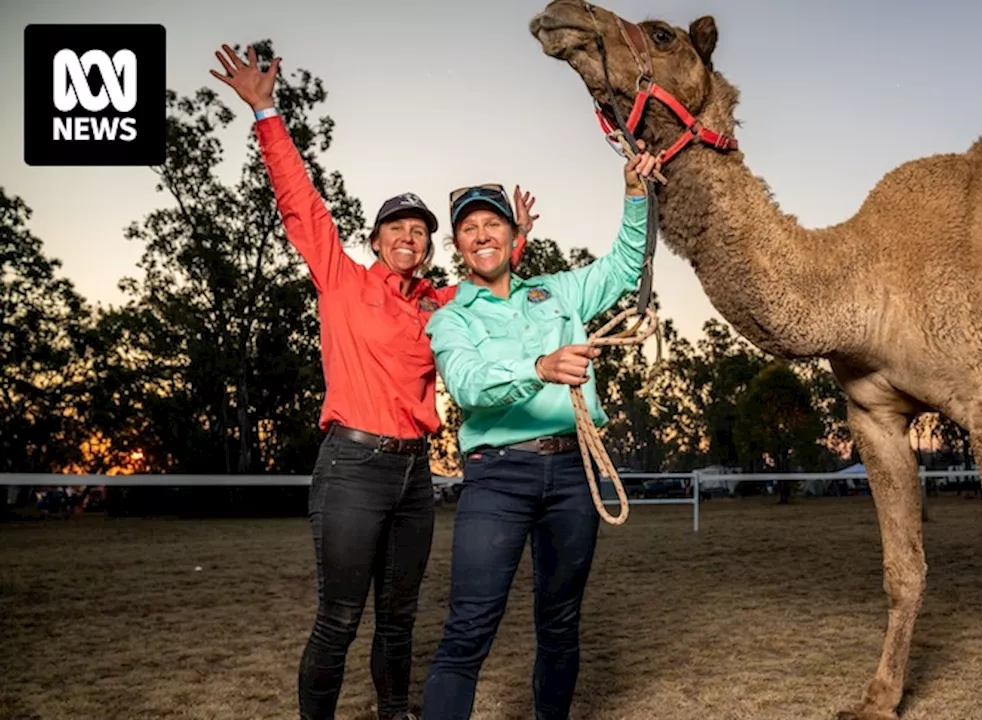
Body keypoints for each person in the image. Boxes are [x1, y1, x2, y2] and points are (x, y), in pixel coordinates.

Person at [207, 45, 538, 720]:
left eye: (419, 230)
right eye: (397, 228)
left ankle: (396, 714)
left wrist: (516, 239)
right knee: (339, 618)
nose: (409, 237)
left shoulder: (440, 306)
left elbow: (489, 287)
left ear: (426, 246)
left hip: (415, 474)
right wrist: (266, 111)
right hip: (352, 467)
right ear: (377, 238)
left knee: (399, 620)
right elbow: (298, 200)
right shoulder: (342, 280)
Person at [419, 147, 660, 720]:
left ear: (510, 234)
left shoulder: (556, 292)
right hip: (497, 477)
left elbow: (626, 266)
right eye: (469, 228)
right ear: (458, 246)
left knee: (559, 623)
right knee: (469, 628)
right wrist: (538, 369)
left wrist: (633, 194)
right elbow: (469, 384)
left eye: (492, 223)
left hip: (575, 473)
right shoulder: (452, 317)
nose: (482, 234)